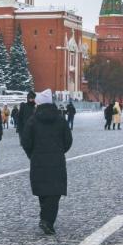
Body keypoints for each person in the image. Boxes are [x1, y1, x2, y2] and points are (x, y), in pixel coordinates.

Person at [21, 89, 73, 235]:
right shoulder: (60, 120)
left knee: (43, 191)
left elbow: (26, 141)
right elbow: (68, 140)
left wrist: (32, 154)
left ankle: (45, 219)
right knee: (54, 192)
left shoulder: (32, 120)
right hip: (57, 161)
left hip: (38, 160)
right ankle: (47, 220)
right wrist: (59, 151)